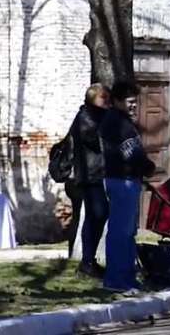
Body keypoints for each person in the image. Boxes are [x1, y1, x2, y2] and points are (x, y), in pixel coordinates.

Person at [99, 80, 154, 294]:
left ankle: (127, 277)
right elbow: (131, 153)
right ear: (118, 101)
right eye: (130, 102)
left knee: (126, 231)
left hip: (123, 179)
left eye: (135, 102)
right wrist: (147, 166)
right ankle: (118, 279)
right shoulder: (118, 123)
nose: (134, 106)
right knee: (122, 232)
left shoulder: (118, 121)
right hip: (123, 180)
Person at [70, 83, 111, 278]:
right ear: (93, 98)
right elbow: (94, 140)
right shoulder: (85, 117)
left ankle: (89, 260)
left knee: (99, 215)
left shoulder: (98, 116)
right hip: (90, 175)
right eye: (104, 98)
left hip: (98, 173)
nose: (107, 102)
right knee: (98, 213)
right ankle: (87, 261)